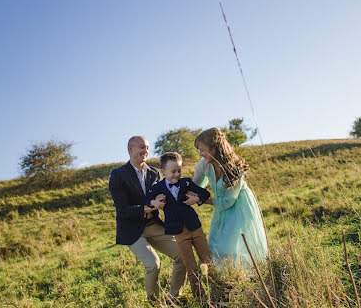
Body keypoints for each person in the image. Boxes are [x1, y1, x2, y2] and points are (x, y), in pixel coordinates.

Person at [108, 136, 186, 301]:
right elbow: (122, 211)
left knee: (183, 255)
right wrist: (150, 206)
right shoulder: (118, 175)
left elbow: (162, 196)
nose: (146, 151)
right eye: (142, 147)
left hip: (154, 225)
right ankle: (154, 303)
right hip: (132, 230)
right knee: (153, 264)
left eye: (147, 148)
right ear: (130, 149)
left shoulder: (154, 173)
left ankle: (173, 298)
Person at [192, 128, 268, 266]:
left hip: (239, 206)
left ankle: (243, 278)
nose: (200, 154)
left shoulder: (234, 167)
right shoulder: (204, 164)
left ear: (214, 148)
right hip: (220, 207)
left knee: (233, 246)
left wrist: (201, 200)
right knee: (215, 244)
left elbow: (228, 201)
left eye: (202, 150)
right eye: (199, 150)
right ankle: (222, 280)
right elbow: (195, 186)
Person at [146, 152, 212, 298]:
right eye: (173, 171)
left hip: (195, 227)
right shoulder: (158, 188)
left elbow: (204, 193)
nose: (177, 174)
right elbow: (147, 199)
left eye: (179, 170)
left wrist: (196, 199)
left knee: (207, 259)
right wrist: (155, 202)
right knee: (190, 265)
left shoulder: (186, 182)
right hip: (179, 232)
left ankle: (216, 288)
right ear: (163, 172)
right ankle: (200, 296)